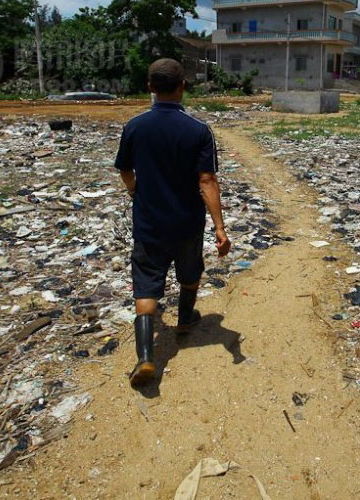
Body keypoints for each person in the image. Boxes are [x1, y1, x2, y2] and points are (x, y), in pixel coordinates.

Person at [114, 58, 231, 387]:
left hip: (149, 222)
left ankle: (146, 358)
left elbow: (125, 169)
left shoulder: (135, 126)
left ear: (150, 87)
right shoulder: (198, 130)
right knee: (190, 272)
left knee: (146, 284)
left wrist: (135, 190)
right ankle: (184, 319)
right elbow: (207, 180)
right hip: (187, 222)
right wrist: (220, 228)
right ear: (183, 87)